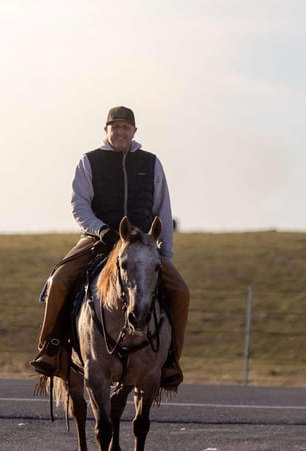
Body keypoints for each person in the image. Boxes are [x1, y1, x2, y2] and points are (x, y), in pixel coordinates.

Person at [30, 106, 189, 389]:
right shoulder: (89, 161)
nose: (120, 132)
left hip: (141, 245)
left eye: (125, 128)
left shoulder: (151, 163)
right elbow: (79, 204)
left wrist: (164, 254)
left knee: (180, 291)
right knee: (59, 280)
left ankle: (170, 360)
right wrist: (100, 229)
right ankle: (51, 349)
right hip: (98, 239)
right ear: (106, 131)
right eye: (114, 127)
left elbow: (162, 210)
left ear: (134, 132)